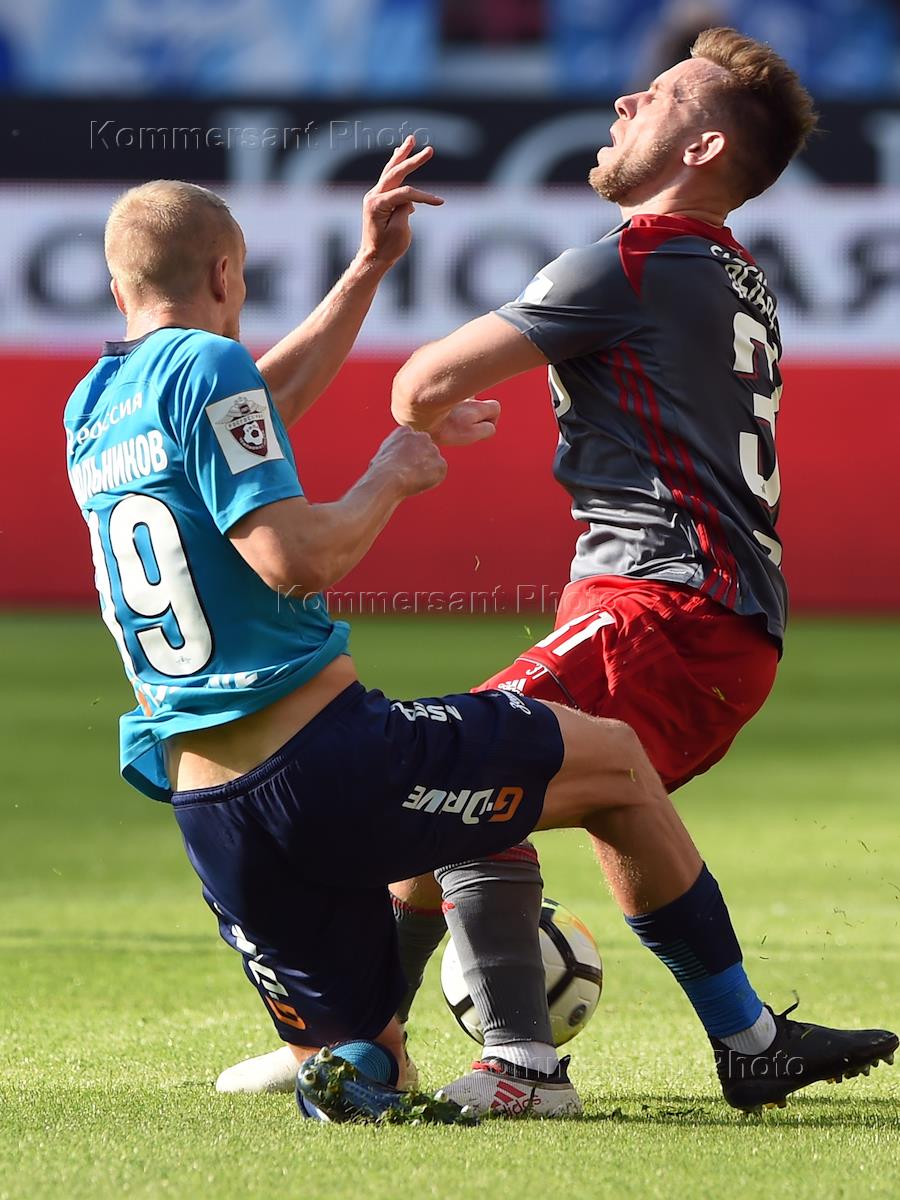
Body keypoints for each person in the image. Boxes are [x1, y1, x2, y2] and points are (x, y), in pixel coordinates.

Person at [64, 142, 823, 1124]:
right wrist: (392, 476)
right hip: (323, 763)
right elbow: (295, 560)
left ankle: (344, 1059)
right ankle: (714, 1044)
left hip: (211, 810)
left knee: (368, 1062)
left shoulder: (95, 404)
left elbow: (263, 403)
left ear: (117, 287)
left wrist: (366, 268)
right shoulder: (210, 364)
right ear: (224, 274)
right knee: (613, 762)